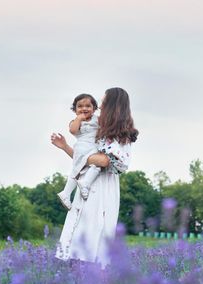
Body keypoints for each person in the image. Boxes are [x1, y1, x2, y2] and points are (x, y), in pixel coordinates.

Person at [51, 87, 138, 268]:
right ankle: (76, 282)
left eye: (104, 102)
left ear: (113, 105)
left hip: (103, 187)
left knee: (94, 236)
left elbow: (105, 161)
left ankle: (94, 283)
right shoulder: (100, 128)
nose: (101, 106)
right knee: (76, 236)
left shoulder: (123, 134)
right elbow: (83, 159)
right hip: (86, 182)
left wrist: (82, 155)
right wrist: (66, 147)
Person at [57, 94, 102, 210]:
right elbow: (72, 130)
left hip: (93, 147)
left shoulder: (97, 119)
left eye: (88, 106)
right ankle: (74, 189)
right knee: (78, 170)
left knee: (90, 168)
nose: (84, 109)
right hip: (83, 147)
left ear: (94, 109)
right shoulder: (75, 121)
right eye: (80, 106)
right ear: (75, 110)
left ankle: (73, 189)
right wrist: (79, 119)